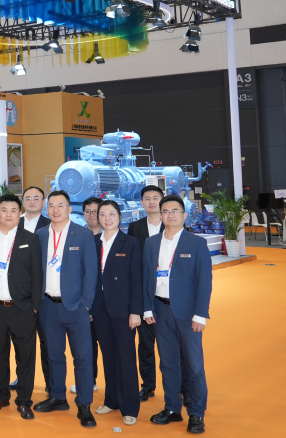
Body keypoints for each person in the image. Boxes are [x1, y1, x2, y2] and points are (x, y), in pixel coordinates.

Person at [143, 195, 212, 434]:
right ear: (160, 215)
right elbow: (146, 278)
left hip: (187, 314)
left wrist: (200, 315)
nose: (170, 215)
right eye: (166, 211)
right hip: (160, 311)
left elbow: (205, 281)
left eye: (175, 211)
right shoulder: (151, 243)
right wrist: (147, 308)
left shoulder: (196, 243)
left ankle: (196, 413)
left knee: (194, 365)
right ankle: (172, 407)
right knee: (168, 363)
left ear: (184, 215)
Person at [32, 190, 98, 429]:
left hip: (75, 307)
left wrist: (85, 304)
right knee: (54, 355)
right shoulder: (40, 235)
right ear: (46, 209)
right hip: (48, 307)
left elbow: (91, 272)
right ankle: (58, 396)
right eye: (51, 205)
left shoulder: (83, 235)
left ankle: (84, 404)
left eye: (61, 205)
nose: (56, 210)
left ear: (70, 209)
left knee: (82, 357)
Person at [0, 194, 42, 419]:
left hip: (22, 308)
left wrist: (34, 306)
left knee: (25, 357)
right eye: (4, 210)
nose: (8, 214)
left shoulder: (30, 239)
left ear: (20, 213)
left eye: (13, 210)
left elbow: (37, 275)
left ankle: (24, 401)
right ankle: (1, 395)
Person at [91, 200, 143, 425]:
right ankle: (111, 400)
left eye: (112, 214)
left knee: (126, 357)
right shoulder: (93, 242)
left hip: (123, 309)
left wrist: (136, 311)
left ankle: (129, 407)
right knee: (108, 356)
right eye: (103, 214)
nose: (107, 218)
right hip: (99, 308)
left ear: (120, 217)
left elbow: (137, 279)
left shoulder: (130, 243)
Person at [8, 186, 51, 394]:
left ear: (43, 202)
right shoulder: (12, 223)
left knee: (47, 343)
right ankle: (21, 379)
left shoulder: (51, 225)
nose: (32, 201)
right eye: (28, 198)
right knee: (21, 344)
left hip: (45, 294)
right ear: (22, 202)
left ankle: (51, 385)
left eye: (37, 198)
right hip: (18, 296)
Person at [127, 185, 166, 402]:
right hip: (144, 295)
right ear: (141, 203)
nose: (151, 201)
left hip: (167, 295)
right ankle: (148, 385)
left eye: (155, 198)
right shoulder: (135, 227)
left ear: (162, 200)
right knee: (145, 345)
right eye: (147, 198)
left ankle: (181, 387)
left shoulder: (173, 224)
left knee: (172, 346)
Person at [70, 196, 103, 395]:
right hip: (83, 300)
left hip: (104, 300)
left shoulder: (108, 237)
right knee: (86, 345)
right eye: (88, 211)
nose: (92, 215)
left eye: (95, 211)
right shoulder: (79, 236)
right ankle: (89, 381)